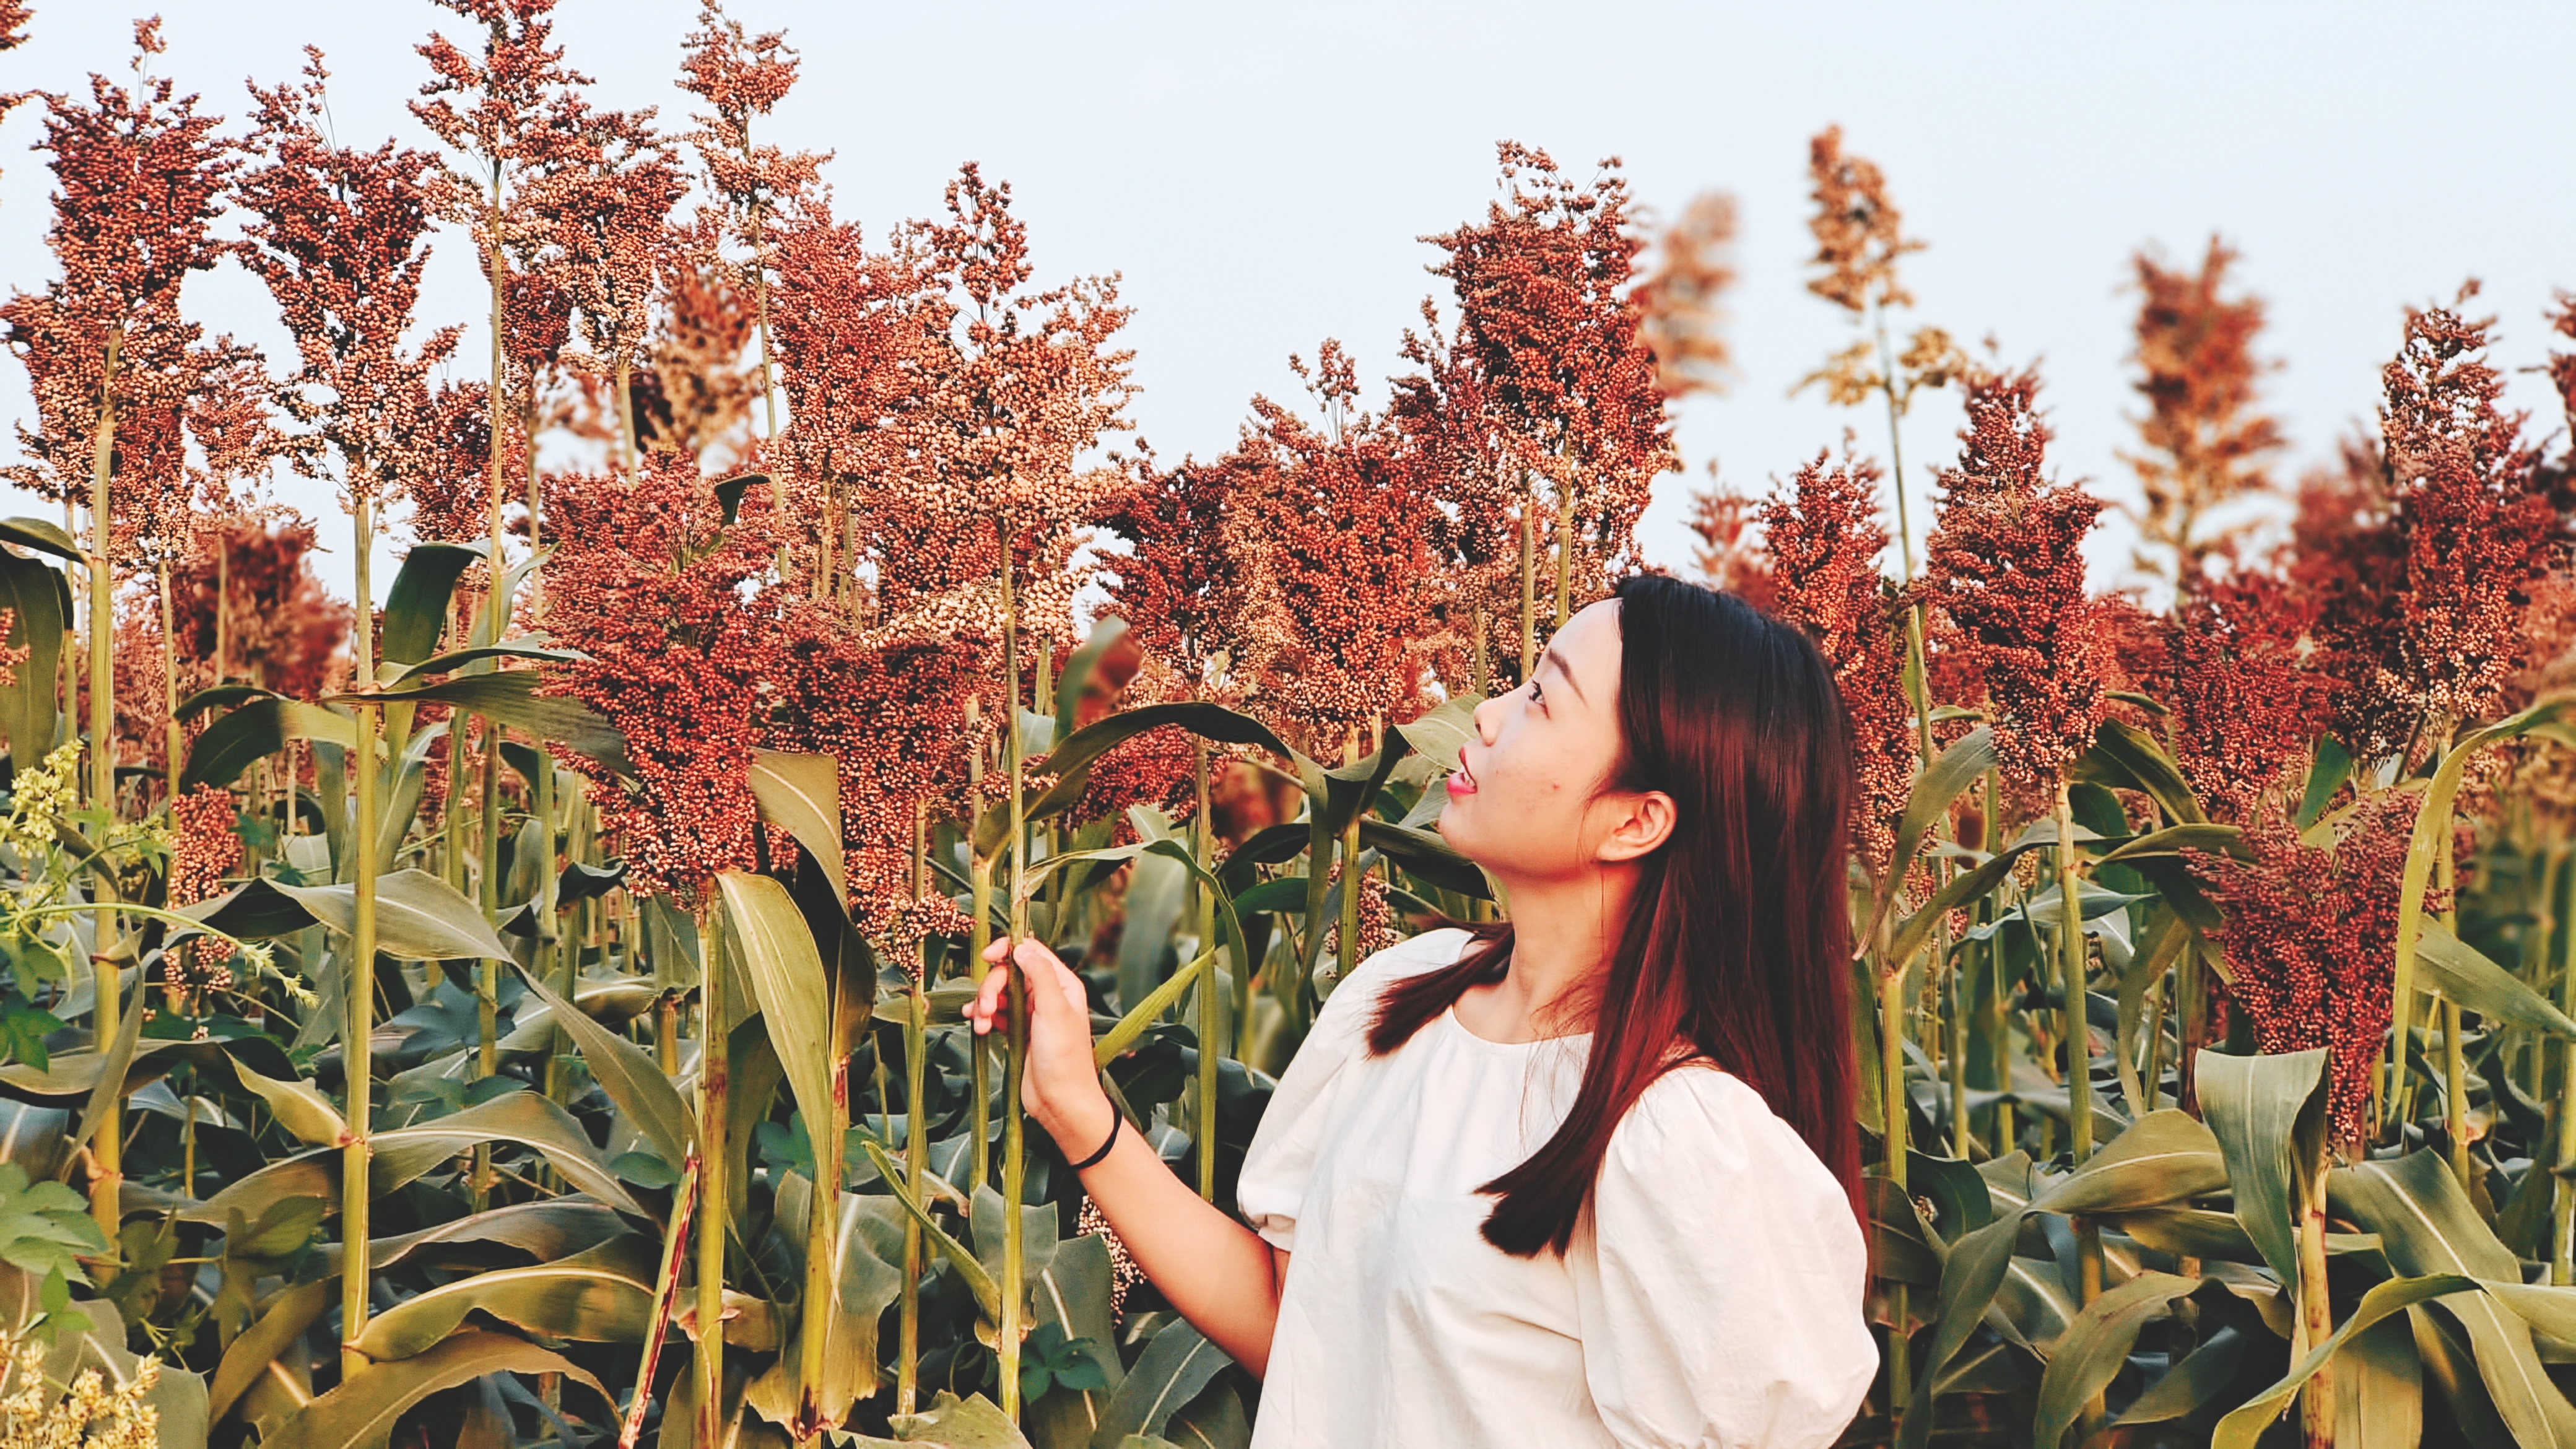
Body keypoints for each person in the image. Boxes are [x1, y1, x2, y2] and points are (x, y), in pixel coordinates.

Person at [969, 574, 1877, 1448]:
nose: (1486, 714)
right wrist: (1076, 1108)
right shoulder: (1401, 999)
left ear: (1635, 822)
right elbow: (1302, 1336)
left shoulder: (1679, 1138)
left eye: (1542, 698)